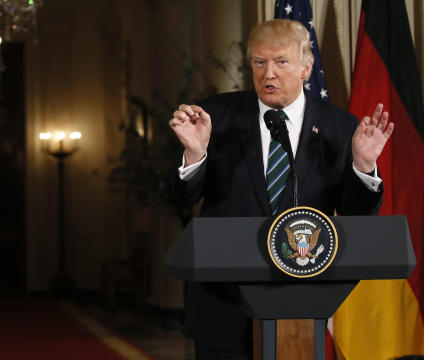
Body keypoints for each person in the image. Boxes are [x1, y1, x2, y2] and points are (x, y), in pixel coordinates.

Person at [165, 19, 394, 360]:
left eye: (281, 62)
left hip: (301, 298)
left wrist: (362, 166)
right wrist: (195, 154)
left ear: (306, 67)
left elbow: (357, 213)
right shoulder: (214, 117)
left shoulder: (339, 126)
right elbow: (180, 200)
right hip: (222, 301)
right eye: (259, 62)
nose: (268, 73)